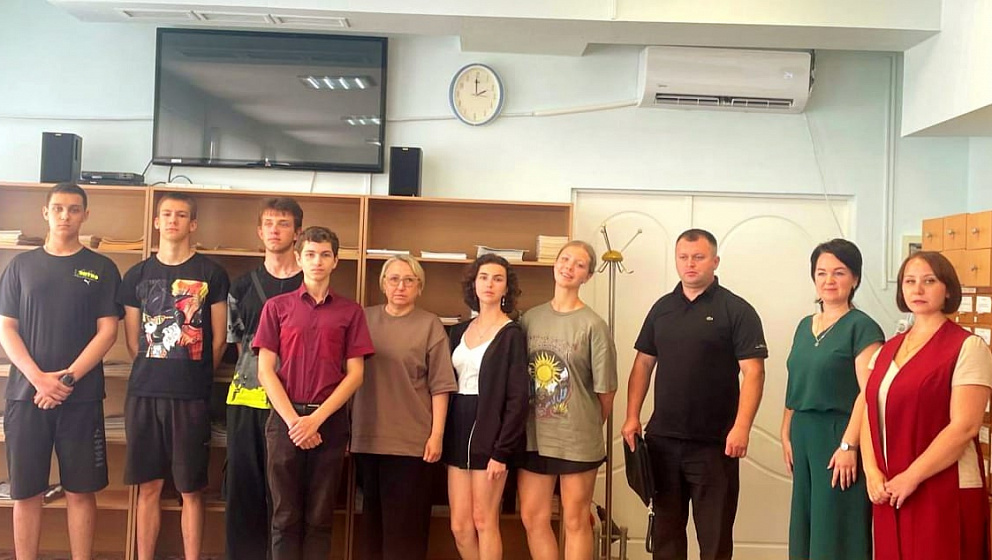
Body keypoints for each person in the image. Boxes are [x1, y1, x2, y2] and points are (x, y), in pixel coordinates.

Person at [621, 228, 767, 560]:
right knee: (666, 539)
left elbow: (754, 373)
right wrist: (631, 416)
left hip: (715, 446)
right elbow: (643, 364)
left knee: (714, 541)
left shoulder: (736, 310)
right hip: (662, 443)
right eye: (683, 257)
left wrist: (742, 427)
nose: (690, 264)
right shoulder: (662, 308)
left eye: (698, 257)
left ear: (715, 261)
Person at [0, 183, 122, 560]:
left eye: (73, 209)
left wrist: (67, 380)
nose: (65, 216)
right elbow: (6, 328)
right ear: (45, 213)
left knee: (80, 491)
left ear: (85, 215)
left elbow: (108, 331)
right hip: (26, 396)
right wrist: (39, 379)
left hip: (81, 398)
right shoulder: (20, 266)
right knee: (26, 492)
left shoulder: (102, 268)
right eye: (58, 209)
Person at [119, 192, 230, 560]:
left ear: (192, 224)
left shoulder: (212, 274)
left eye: (181, 215)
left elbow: (218, 340)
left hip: (191, 396)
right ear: (156, 221)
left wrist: (193, 375)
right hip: (144, 394)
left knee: (190, 489)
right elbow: (133, 341)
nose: (172, 220)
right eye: (166, 214)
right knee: (148, 487)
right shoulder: (136, 275)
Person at [254, 226, 374, 560]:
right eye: (310, 254)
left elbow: (355, 375)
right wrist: (296, 422)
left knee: (320, 517)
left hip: (329, 422)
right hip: (284, 420)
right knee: (284, 516)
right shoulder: (276, 307)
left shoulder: (351, 312)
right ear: (298, 258)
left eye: (324, 255)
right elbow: (265, 371)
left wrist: (315, 420)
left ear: (335, 261)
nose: (317, 261)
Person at [862, 251, 992, 560]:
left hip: (943, 486)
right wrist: (871, 471)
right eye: (910, 281)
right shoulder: (886, 350)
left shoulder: (967, 346)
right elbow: (869, 412)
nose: (918, 289)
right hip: (891, 487)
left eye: (929, 281)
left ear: (947, 289)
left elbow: (965, 426)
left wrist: (911, 477)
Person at [781, 239, 883, 560]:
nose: (829, 280)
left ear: (855, 278)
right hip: (803, 434)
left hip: (839, 434)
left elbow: (869, 393)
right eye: (821, 272)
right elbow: (795, 382)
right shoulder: (804, 326)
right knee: (805, 526)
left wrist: (849, 445)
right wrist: (785, 433)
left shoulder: (863, 328)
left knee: (834, 528)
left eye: (839, 273)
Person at [351, 255, 457, 560]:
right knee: (371, 526)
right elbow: (347, 377)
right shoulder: (363, 319)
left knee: (406, 531)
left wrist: (437, 436)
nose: (401, 286)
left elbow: (441, 385)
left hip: (412, 443)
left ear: (419, 287)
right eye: (394, 279)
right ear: (383, 284)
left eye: (409, 280)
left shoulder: (429, 324)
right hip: (367, 438)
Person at [517, 240, 618, 560]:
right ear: (554, 263)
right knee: (533, 518)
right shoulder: (530, 319)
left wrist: (585, 426)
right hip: (533, 436)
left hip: (577, 440)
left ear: (588, 276)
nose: (569, 267)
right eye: (565, 259)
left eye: (579, 264)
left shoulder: (594, 325)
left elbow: (606, 391)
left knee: (575, 521)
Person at [225, 197, 304, 560]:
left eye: (283, 223)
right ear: (259, 231)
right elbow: (234, 343)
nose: (275, 230)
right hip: (247, 398)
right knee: (243, 488)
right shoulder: (242, 286)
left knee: (285, 492)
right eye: (269, 223)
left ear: (297, 232)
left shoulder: (310, 283)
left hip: (295, 404)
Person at [442, 254, 529, 560]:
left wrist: (502, 451)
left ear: (506, 288)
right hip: (457, 428)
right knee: (459, 526)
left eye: (497, 278)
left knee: (484, 520)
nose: (489, 284)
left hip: (491, 432)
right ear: (474, 284)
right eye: (483, 277)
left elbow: (518, 398)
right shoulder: (457, 331)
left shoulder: (512, 334)